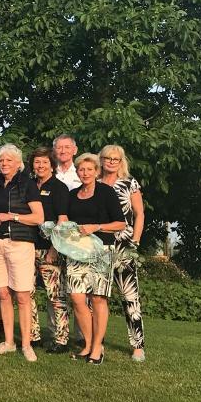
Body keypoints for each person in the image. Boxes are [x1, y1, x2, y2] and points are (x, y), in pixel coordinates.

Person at [0, 144, 45, 362]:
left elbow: (38, 217)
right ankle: (9, 342)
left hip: (19, 243)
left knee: (22, 295)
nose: (4, 163)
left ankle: (26, 344)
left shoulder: (27, 184)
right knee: (2, 293)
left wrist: (12, 216)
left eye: (9, 160)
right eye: (1, 160)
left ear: (19, 163)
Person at [66, 153, 126, 365]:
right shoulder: (72, 195)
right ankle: (88, 344)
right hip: (77, 252)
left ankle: (97, 348)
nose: (85, 173)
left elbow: (120, 224)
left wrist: (96, 227)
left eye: (89, 169)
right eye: (81, 169)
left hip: (101, 250)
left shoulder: (106, 192)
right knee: (77, 297)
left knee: (98, 298)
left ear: (96, 171)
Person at [99, 144, 147, 362]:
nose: (111, 162)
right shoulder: (94, 182)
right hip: (98, 246)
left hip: (124, 246)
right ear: (101, 160)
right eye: (107, 158)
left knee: (129, 296)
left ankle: (137, 345)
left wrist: (135, 240)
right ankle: (96, 343)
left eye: (115, 159)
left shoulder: (129, 183)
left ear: (121, 162)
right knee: (97, 297)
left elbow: (139, 213)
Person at [30, 146, 71, 353]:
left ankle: (61, 339)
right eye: (37, 162)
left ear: (52, 165)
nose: (40, 166)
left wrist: (55, 249)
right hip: (28, 248)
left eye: (45, 162)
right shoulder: (29, 186)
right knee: (27, 293)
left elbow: (63, 220)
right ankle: (33, 336)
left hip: (50, 250)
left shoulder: (59, 188)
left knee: (55, 295)